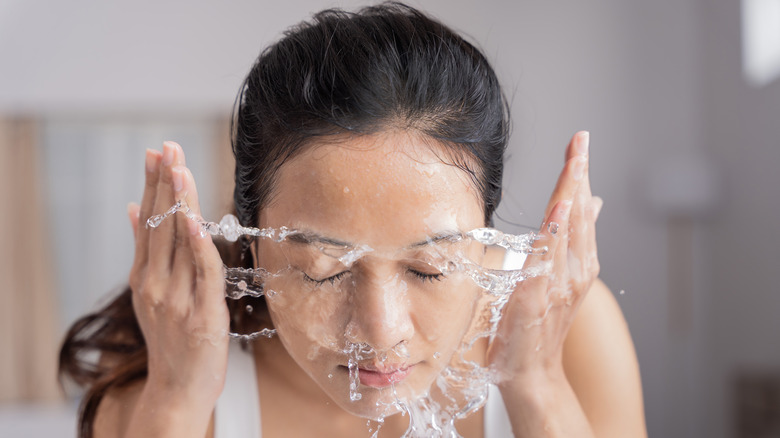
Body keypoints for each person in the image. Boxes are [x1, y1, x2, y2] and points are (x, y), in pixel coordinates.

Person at [59, 3, 647, 437]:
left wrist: (536, 386)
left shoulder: (571, 330)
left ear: (485, 233)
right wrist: (176, 400)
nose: (380, 332)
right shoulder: (160, 385)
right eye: (324, 270)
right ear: (254, 244)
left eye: (430, 268)